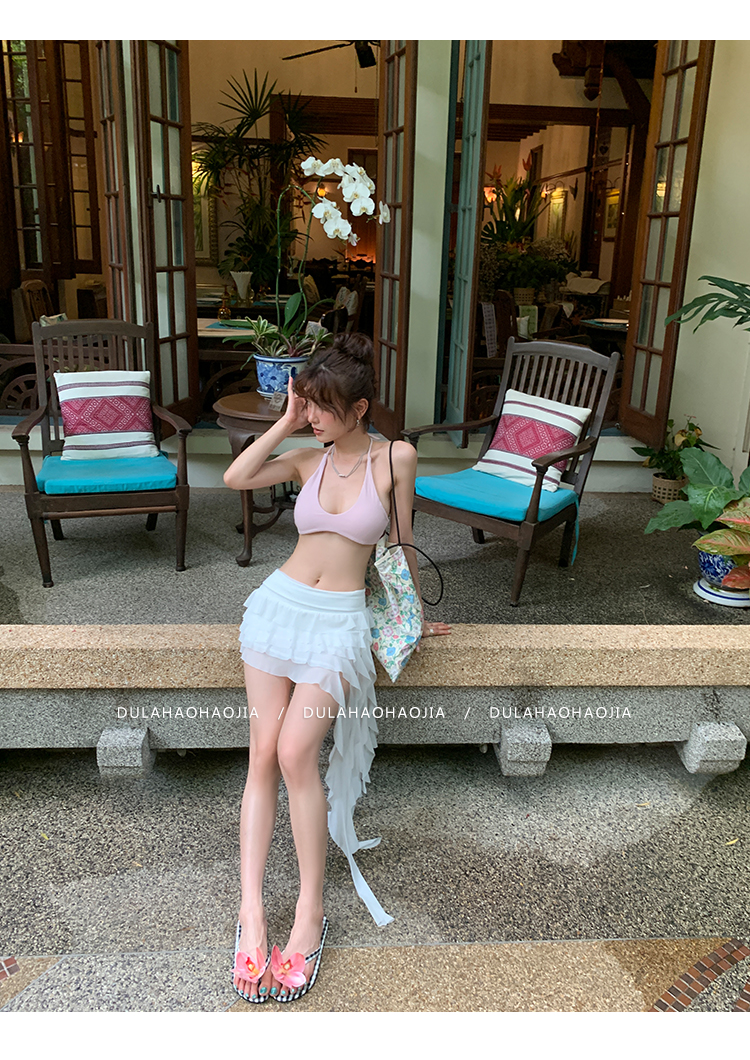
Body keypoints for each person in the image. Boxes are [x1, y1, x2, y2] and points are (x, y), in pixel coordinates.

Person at [223, 332, 451, 1005]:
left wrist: (412, 618)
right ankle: (251, 913)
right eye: (309, 405)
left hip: (338, 627)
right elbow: (236, 478)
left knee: (296, 753)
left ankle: (309, 911)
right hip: (275, 613)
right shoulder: (304, 457)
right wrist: (286, 421)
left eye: (324, 407)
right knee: (261, 754)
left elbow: (402, 545)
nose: (315, 417)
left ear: (360, 408)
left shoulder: (396, 457)